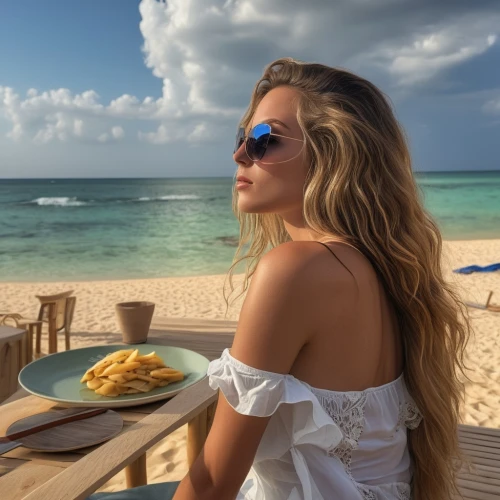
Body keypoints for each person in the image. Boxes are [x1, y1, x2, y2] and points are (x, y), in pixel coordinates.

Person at [89, 57, 471, 500]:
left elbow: (214, 483)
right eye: (241, 138)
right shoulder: (381, 267)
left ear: (333, 152)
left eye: (262, 139)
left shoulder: (295, 271)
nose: (238, 155)